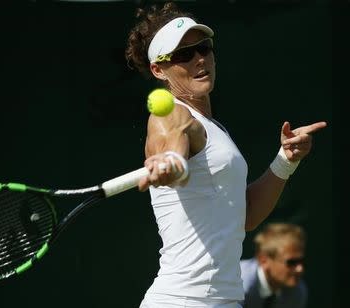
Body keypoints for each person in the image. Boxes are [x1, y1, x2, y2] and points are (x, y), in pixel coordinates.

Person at [124, 2, 326, 308]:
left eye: (203, 48)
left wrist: (286, 160)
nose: (199, 59)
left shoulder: (215, 129)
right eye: (183, 55)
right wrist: (171, 162)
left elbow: (245, 215)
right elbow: (169, 140)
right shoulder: (171, 114)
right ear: (158, 69)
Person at [239, 223, 307, 308]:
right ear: (263, 260)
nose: (300, 269)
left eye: (301, 261)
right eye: (291, 262)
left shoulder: (297, 292)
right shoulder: (239, 286)